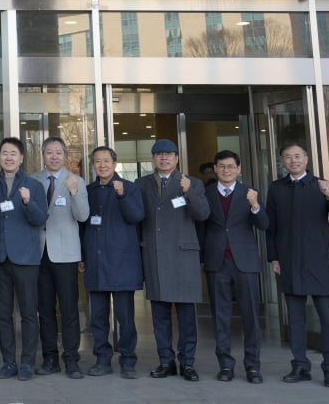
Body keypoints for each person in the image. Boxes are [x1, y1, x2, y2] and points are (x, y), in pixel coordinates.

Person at [265, 141, 329, 387]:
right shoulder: (277, 188)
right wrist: (274, 257)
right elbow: (271, 227)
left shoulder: (321, 185)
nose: (293, 160)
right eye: (288, 157)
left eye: (297, 156)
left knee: (327, 320)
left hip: (319, 261)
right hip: (289, 262)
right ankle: (300, 366)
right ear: (282, 161)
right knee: (296, 319)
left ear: (307, 159)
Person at [137, 138, 210, 382]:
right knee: (160, 315)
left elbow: (203, 214)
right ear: (154, 158)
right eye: (159, 154)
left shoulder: (192, 183)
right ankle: (165, 361)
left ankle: (187, 363)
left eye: (169, 154)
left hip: (182, 256)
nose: (164, 158)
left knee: (187, 315)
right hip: (155, 255)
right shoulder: (142, 183)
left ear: (177, 158)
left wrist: (189, 192)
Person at [200, 150, 268, 384]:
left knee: (250, 316)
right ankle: (226, 365)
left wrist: (255, 205)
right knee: (221, 316)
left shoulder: (249, 192)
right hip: (217, 262)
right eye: (221, 166)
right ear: (216, 169)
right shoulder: (206, 193)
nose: (226, 170)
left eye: (231, 166)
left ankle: (253, 366)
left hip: (245, 263)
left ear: (238, 169)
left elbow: (264, 224)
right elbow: (201, 227)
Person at [0, 136, 48, 381]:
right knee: (3, 314)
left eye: (13, 153)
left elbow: (40, 219)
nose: (8, 157)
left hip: (26, 259)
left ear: (21, 158)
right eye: (4, 153)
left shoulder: (33, 186)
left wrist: (27, 201)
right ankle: (8, 361)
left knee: (28, 313)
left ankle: (27, 363)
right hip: (1, 260)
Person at [81, 146, 145, 379]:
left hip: (122, 263)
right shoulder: (88, 190)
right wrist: (82, 256)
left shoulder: (130, 188)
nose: (102, 165)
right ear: (93, 165)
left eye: (106, 161)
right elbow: (82, 225)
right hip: (96, 262)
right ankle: (102, 359)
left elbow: (136, 217)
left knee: (125, 318)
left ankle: (128, 360)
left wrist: (122, 196)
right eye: (97, 161)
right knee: (98, 318)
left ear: (115, 163)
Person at [32, 136, 89, 378]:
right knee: (44, 310)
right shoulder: (33, 180)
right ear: (43, 155)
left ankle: (72, 359)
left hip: (65, 255)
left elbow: (83, 216)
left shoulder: (76, 180)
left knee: (68, 309)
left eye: (58, 152)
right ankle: (50, 359)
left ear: (65, 156)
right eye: (49, 152)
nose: (54, 156)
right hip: (38, 253)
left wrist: (74, 193)